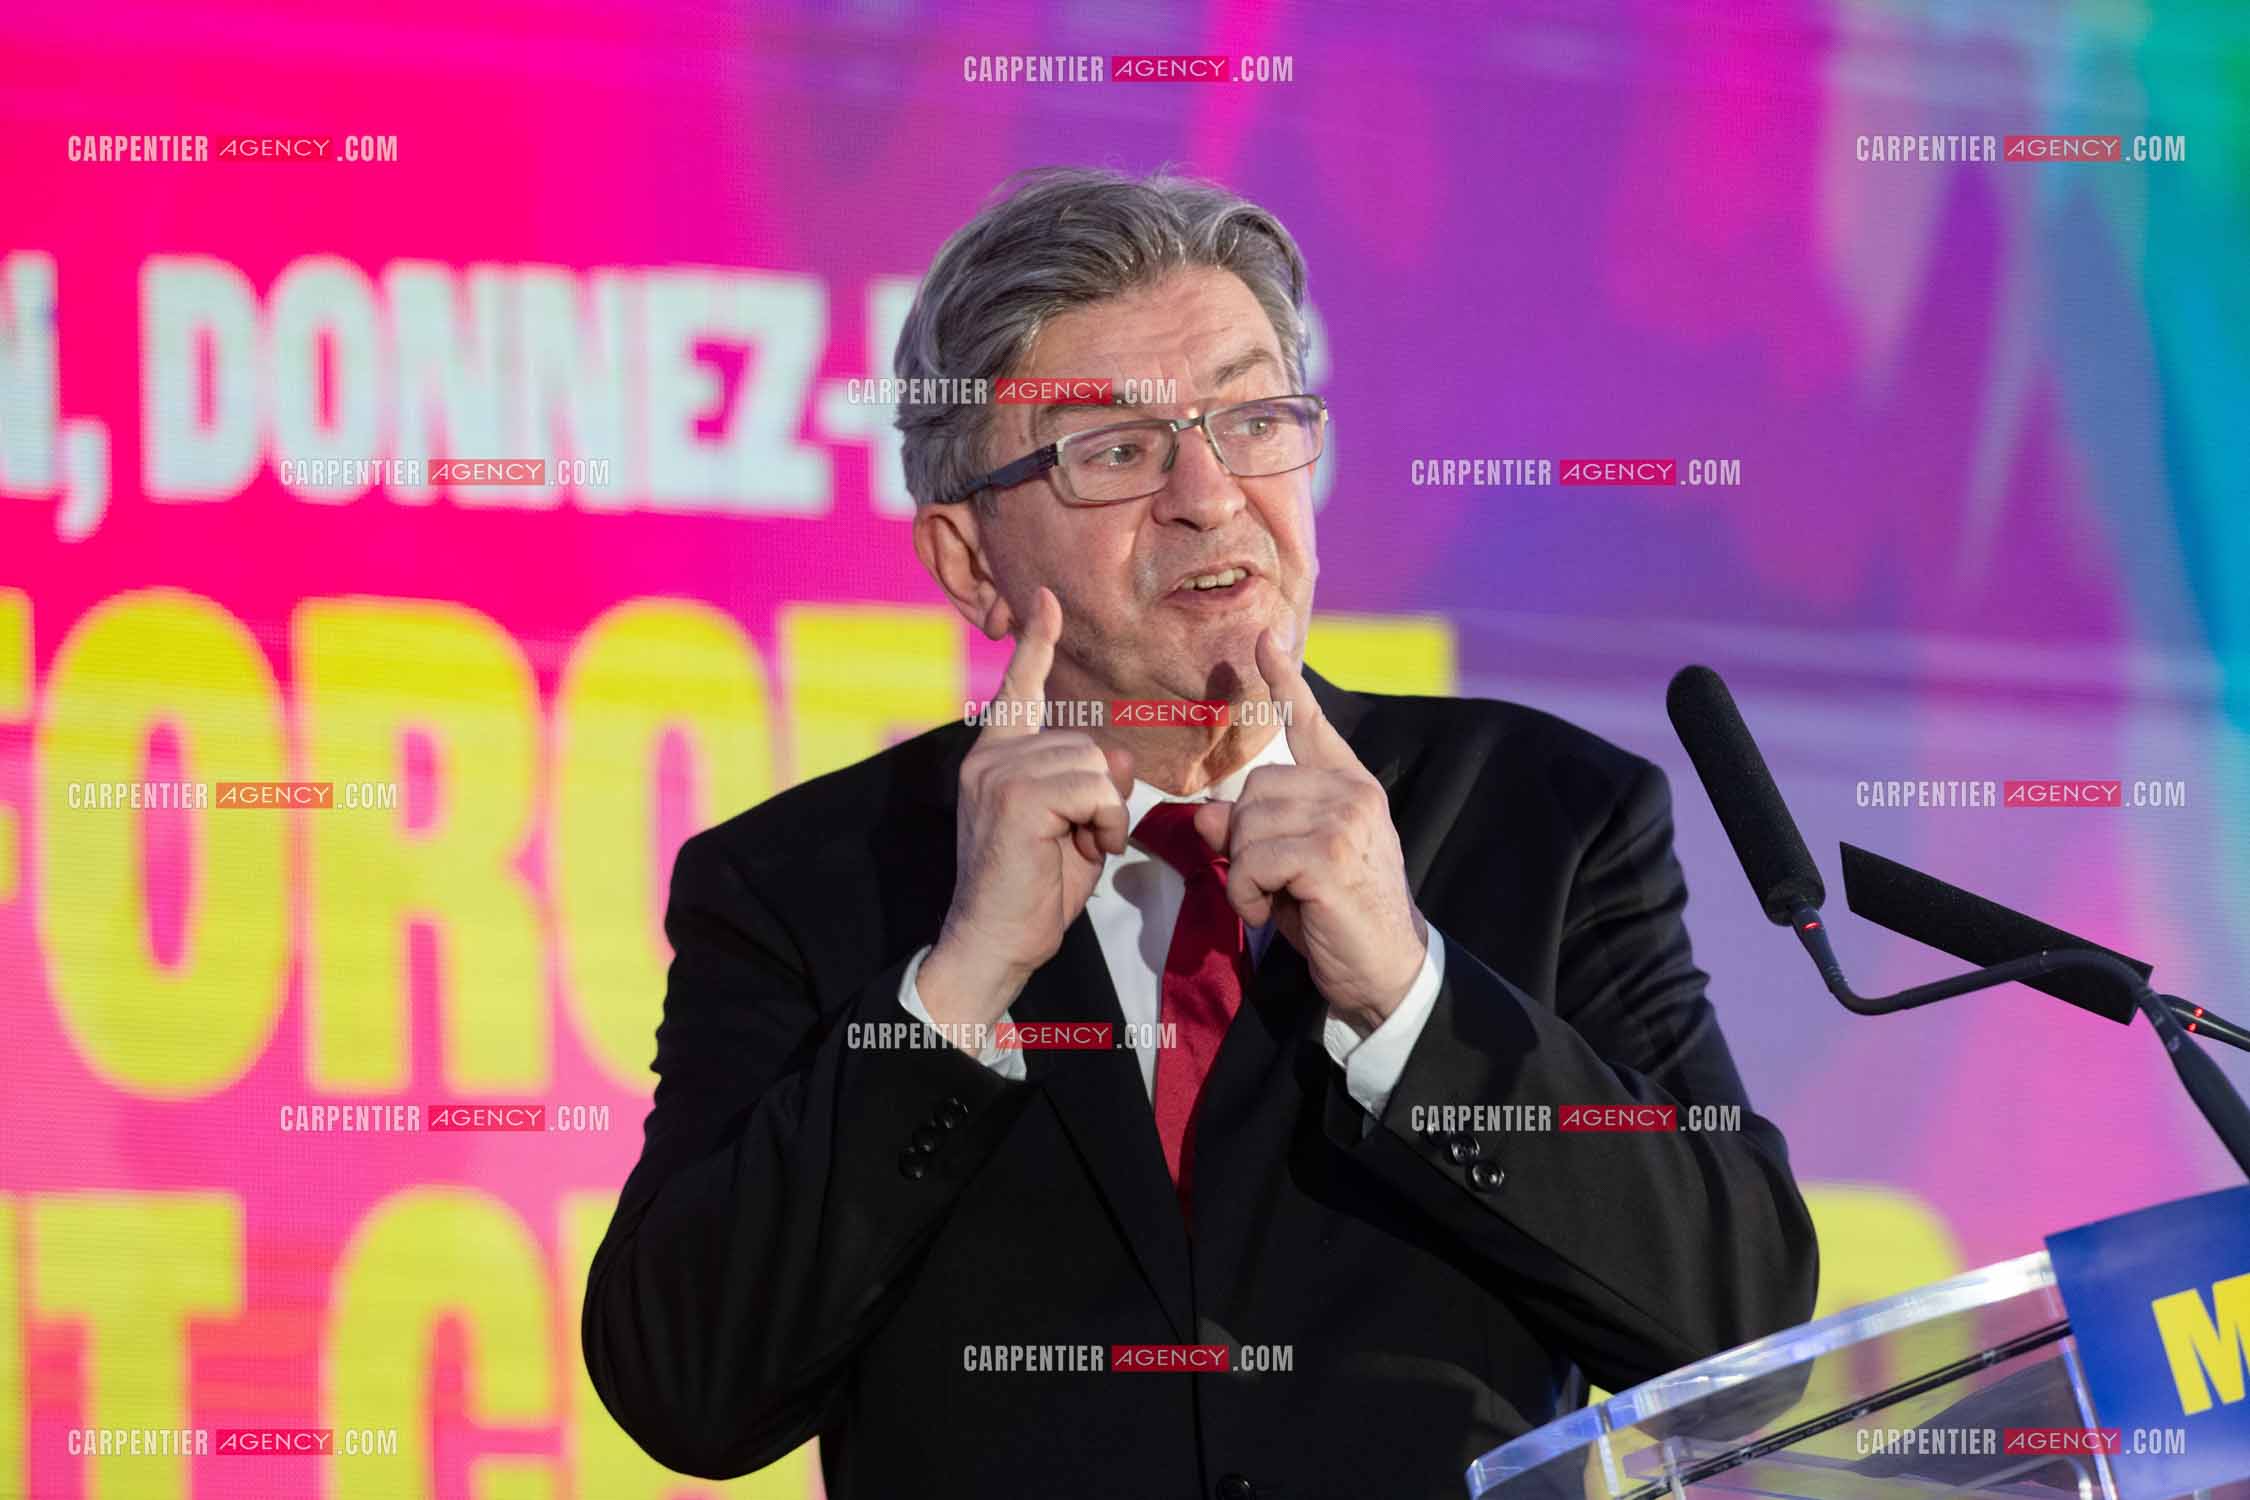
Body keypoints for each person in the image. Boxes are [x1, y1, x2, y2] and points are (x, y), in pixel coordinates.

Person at [582, 165, 1819, 1500]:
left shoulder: (1544, 814)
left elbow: (1738, 1336)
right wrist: (955, 990)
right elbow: (688, 1392)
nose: (1209, 495)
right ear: (968, 560)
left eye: (1253, 419)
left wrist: (1406, 991)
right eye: (1113, 449)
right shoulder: (799, 887)